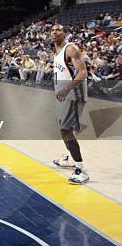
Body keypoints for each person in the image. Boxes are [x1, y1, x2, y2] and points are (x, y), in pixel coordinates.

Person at [50, 24, 89, 184]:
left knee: (65, 129)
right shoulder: (57, 51)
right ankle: (71, 158)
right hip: (64, 94)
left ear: (65, 33)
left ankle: (80, 170)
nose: (54, 32)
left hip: (73, 93)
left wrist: (66, 89)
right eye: (52, 30)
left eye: (58, 30)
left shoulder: (70, 48)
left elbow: (83, 72)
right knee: (65, 127)